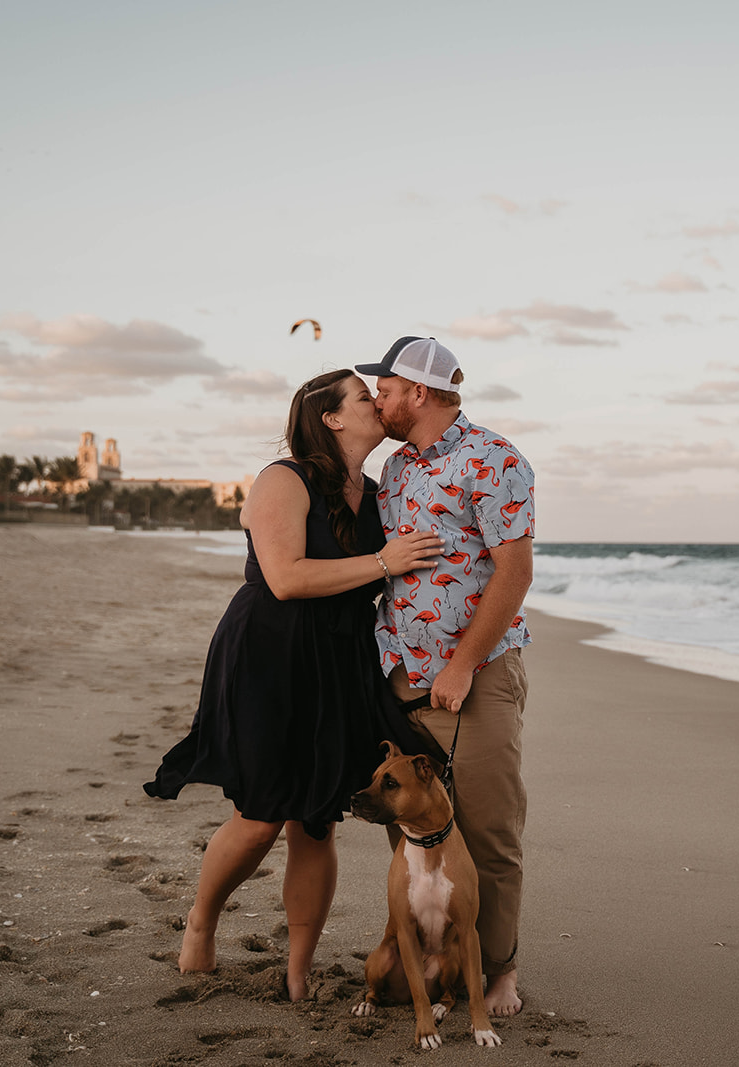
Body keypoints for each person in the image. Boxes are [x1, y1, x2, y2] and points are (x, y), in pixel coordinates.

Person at [143, 369, 445, 1002]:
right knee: (259, 817)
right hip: (270, 652)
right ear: (331, 417)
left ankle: (298, 969)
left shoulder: (377, 488)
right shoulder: (284, 479)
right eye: (366, 397)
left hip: (341, 657)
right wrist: (385, 561)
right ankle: (201, 922)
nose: (379, 404)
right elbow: (284, 578)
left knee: (315, 822)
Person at [353, 336, 536, 1017]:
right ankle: (426, 959)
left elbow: (514, 573)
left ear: (418, 392)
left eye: (386, 389)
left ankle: (499, 971)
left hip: (476, 676)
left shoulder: (495, 460)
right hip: (400, 676)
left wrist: (460, 665)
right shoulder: (396, 469)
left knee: (489, 829)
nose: (378, 399)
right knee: (412, 827)